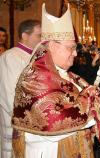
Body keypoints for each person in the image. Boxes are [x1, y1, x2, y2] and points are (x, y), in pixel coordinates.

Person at [11, 4, 100, 158]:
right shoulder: (35, 77)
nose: (75, 53)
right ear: (53, 46)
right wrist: (88, 99)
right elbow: (52, 121)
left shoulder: (69, 75)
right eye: (71, 47)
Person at [0, 19, 41, 158]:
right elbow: (8, 94)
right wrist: (28, 120)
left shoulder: (36, 57)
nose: (42, 40)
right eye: (38, 35)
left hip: (34, 121)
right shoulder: (11, 57)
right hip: (18, 122)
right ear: (25, 36)